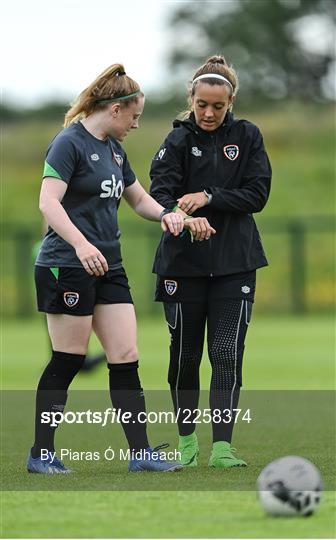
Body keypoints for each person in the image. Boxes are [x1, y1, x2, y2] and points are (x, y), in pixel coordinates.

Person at [27, 63, 212, 474]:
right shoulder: (68, 143)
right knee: (68, 359)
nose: (136, 124)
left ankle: (141, 454)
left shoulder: (114, 150)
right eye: (134, 116)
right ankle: (41, 452)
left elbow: (139, 199)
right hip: (66, 265)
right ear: (115, 110)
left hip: (109, 266)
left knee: (126, 355)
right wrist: (80, 244)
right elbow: (48, 203)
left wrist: (170, 215)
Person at [150, 55, 272, 468]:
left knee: (225, 353)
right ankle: (187, 444)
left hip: (235, 263)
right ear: (192, 98)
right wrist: (183, 217)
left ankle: (222, 447)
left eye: (218, 106)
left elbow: (257, 194)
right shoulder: (176, 141)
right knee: (185, 355)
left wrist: (209, 197)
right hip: (182, 266)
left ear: (231, 100)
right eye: (202, 104)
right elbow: (160, 196)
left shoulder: (248, 136)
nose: (208, 113)